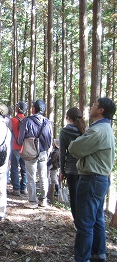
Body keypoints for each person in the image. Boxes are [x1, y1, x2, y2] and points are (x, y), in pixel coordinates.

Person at [68, 97, 115, 262]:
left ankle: (82, 258)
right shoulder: (104, 129)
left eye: (95, 105)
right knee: (97, 220)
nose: (91, 107)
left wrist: (75, 144)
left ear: (101, 110)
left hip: (91, 180)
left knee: (85, 223)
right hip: (99, 179)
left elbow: (75, 148)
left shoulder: (98, 131)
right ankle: (98, 254)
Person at [18, 99, 52, 208]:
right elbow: (50, 139)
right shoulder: (47, 122)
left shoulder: (27, 121)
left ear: (33, 109)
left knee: (31, 177)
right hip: (43, 153)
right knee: (43, 177)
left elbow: (20, 138)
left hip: (30, 152)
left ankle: (32, 201)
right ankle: (43, 200)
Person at [59, 107, 86, 224]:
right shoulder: (85, 130)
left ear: (68, 118)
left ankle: (77, 222)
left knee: (74, 198)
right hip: (85, 169)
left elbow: (62, 153)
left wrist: (62, 170)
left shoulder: (64, 131)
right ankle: (84, 221)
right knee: (84, 198)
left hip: (71, 170)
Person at [9, 102, 28, 196]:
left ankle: (16, 189)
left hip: (15, 146)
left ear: (17, 109)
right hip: (25, 148)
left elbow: (8, 132)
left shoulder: (12, 120)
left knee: (15, 168)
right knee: (24, 169)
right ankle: (24, 188)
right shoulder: (27, 120)